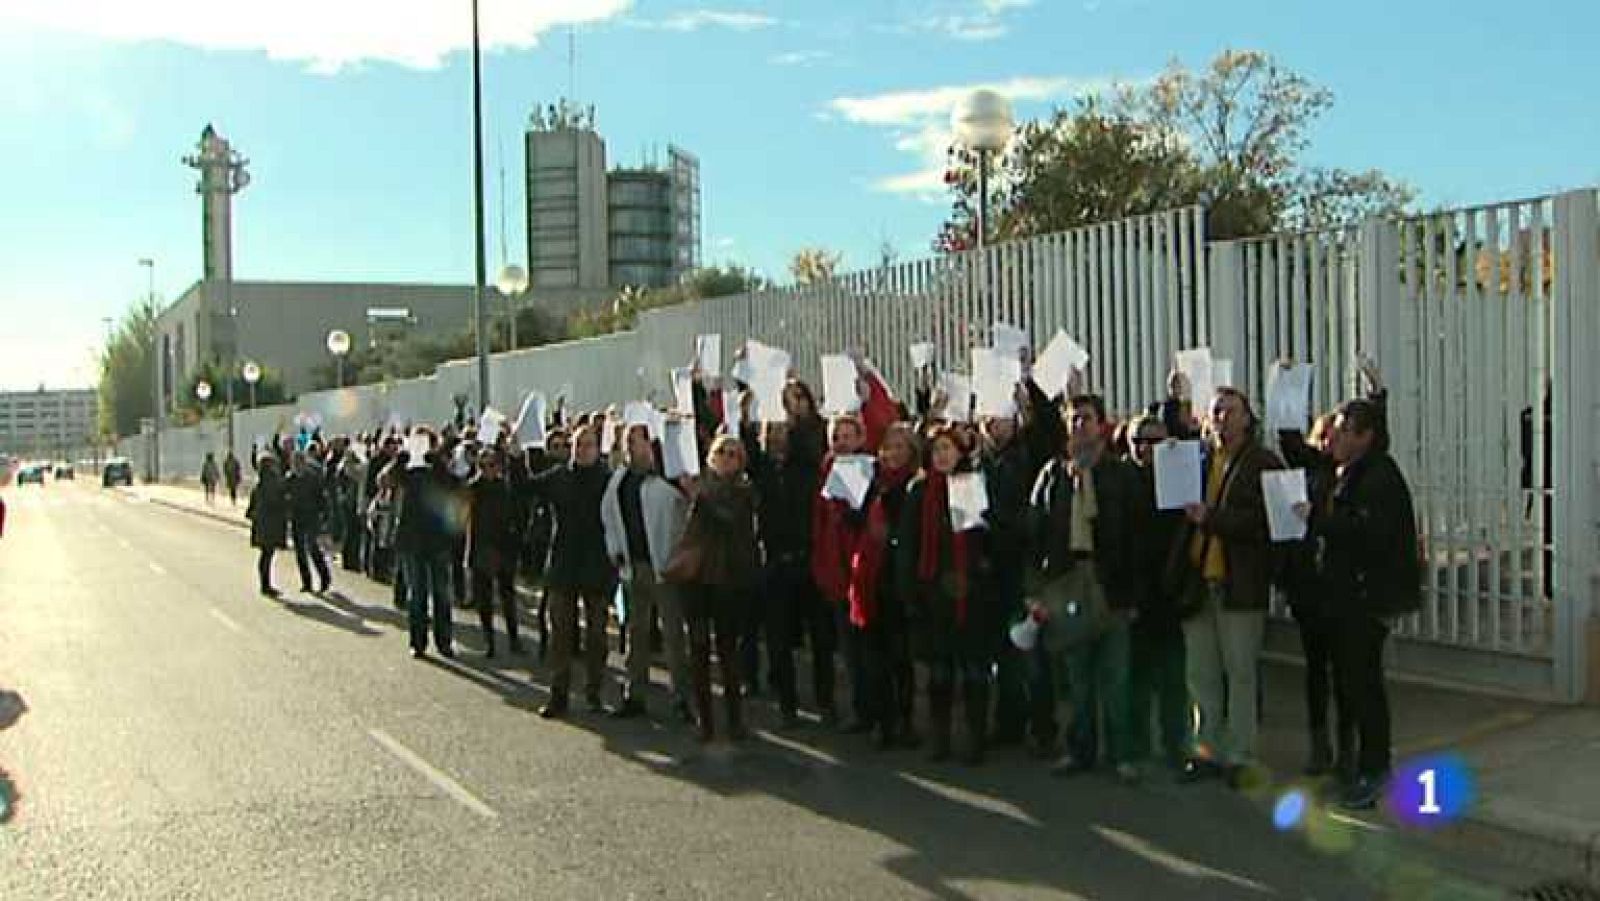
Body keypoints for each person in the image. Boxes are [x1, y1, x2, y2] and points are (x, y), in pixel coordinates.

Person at [1027, 394, 1144, 784]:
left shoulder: (1120, 474)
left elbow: (1134, 535)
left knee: (1116, 677)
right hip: (1066, 585)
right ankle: (1079, 749)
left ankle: (1122, 753)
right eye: (1074, 419)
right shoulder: (1053, 474)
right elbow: (1036, 534)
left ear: (1102, 425)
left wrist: (1133, 595)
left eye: (1087, 419)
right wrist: (1037, 593)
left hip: (1110, 584)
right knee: (1077, 679)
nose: (1080, 426)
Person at [1311, 396, 1419, 810]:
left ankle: (1376, 771)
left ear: (1366, 436)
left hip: (1365, 599)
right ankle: (1356, 768)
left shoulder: (1378, 477)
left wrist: (1316, 520)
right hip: (1345, 597)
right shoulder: (1353, 471)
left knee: (1364, 687)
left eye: (1344, 429)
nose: (1334, 435)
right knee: (1351, 686)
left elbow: (1366, 533)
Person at [1174, 387, 1283, 788]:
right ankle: (1206, 751)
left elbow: (1265, 522)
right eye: (1215, 411)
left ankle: (1240, 756)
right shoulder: (1199, 459)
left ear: (1246, 417)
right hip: (1200, 581)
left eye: (1229, 411)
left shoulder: (1262, 463)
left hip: (1239, 584)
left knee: (1240, 674)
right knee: (1200, 674)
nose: (1220, 418)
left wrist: (1213, 518)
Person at [903, 426, 993, 764]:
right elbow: (909, 547)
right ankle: (939, 737)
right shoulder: (920, 491)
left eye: (948, 449)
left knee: (974, 672)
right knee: (939, 674)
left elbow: (983, 540)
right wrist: (911, 593)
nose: (942, 455)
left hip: (970, 596)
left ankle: (975, 739)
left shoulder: (970, 485)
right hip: (933, 596)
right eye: (936, 449)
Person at [601, 424, 692, 720]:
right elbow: (610, 516)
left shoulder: (666, 481)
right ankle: (634, 694)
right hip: (633, 566)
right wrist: (615, 548)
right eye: (627, 440)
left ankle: (681, 697)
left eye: (635, 440)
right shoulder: (620, 481)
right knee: (636, 632)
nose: (630, 446)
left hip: (663, 567)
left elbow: (683, 515)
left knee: (673, 634)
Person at [524, 424, 615, 718]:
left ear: (597, 448)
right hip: (564, 562)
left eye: (588, 445)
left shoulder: (607, 479)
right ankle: (558, 694)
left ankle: (593, 692)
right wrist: (518, 454)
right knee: (560, 632)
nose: (582, 450)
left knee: (597, 634)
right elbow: (527, 486)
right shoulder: (560, 475)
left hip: (597, 564)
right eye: (578, 445)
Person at [680, 434, 761, 742]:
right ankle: (706, 721)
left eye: (733, 454)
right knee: (698, 651)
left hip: (729, 580)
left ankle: (735, 720)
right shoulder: (700, 486)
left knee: (728, 652)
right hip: (698, 579)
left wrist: (698, 497)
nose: (726, 458)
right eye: (721, 453)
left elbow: (728, 518)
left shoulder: (744, 490)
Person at [847, 422, 921, 749]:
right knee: (874, 658)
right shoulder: (870, 483)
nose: (893, 452)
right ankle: (883, 721)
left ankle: (905, 721)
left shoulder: (916, 486)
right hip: (871, 579)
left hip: (901, 580)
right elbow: (855, 523)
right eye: (889, 446)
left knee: (901, 658)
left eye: (901, 446)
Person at [1124, 413, 1190, 772]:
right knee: (1136, 677)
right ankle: (1135, 745)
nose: (1145, 449)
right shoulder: (1123, 479)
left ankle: (1176, 745)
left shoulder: (1179, 480)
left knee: (1173, 679)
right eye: (1138, 441)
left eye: (1153, 442)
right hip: (1135, 595)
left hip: (1173, 592)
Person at [813, 414, 868, 731]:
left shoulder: (870, 471)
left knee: (867, 650)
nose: (842, 442)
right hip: (834, 574)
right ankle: (858, 710)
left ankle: (873, 710)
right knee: (848, 650)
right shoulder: (824, 476)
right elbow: (818, 527)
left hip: (862, 572)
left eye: (849, 436)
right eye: (837, 436)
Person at [395, 429, 458, 659]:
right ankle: (418, 642)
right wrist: (401, 460)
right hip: (412, 541)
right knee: (417, 594)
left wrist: (438, 463)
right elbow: (389, 480)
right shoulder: (410, 472)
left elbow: (453, 486)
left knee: (442, 594)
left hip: (437, 541)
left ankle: (444, 641)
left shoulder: (439, 470)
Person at [465, 447, 522, 659]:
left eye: (491, 465)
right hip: (482, 547)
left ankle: (514, 639)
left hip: (504, 547)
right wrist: (468, 554)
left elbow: (513, 516)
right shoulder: (473, 488)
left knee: (508, 596)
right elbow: (467, 522)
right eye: (483, 465)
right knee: (484, 599)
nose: (487, 470)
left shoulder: (504, 487)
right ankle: (489, 640)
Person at [286, 450, 333, 595]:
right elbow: (285, 496)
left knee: (313, 548)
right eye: (294, 463)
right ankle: (306, 582)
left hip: (311, 517)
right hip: (296, 518)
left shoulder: (312, 478)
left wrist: (324, 514)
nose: (297, 466)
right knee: (300, 551)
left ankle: (325, 578)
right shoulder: (290, 478)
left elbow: (322, 497)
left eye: (299, 462)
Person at [245, 454, 289, 597]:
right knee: (267, 555)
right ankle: (266, 585)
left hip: (262, 524)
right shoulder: (272, 482)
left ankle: (265, 584)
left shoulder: (260, 483)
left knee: (266, 555)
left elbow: (251, 507)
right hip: (270, 524)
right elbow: (276, 501)